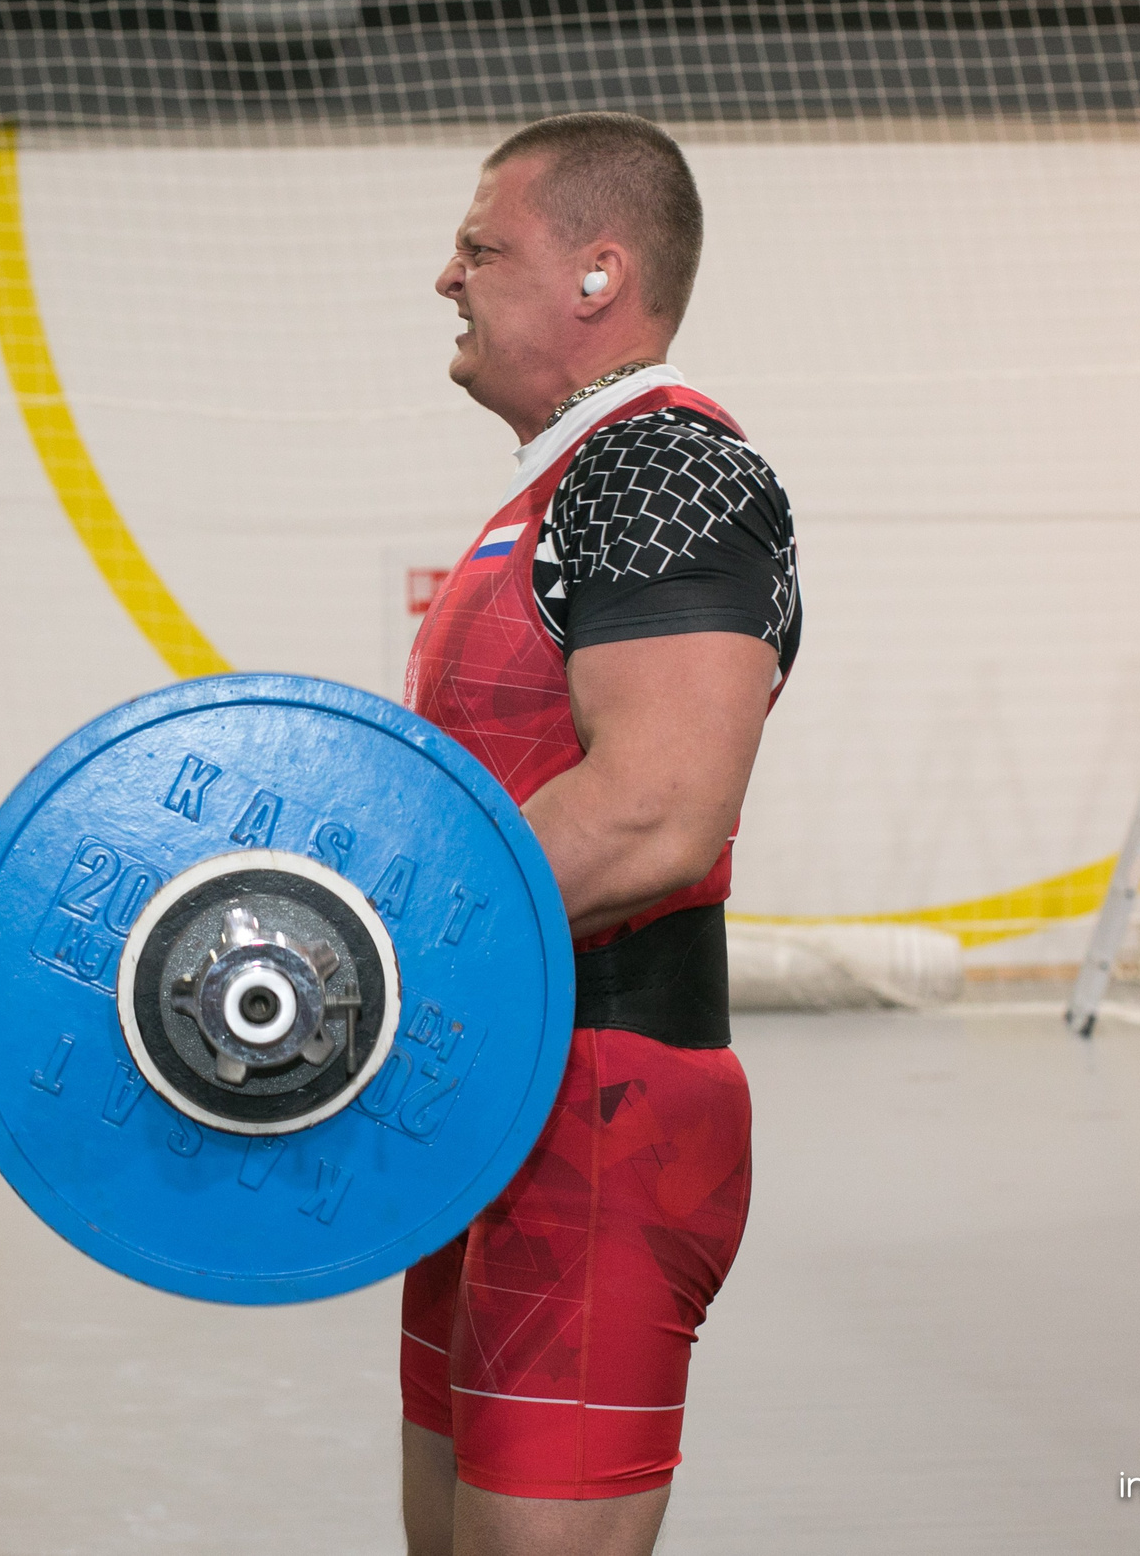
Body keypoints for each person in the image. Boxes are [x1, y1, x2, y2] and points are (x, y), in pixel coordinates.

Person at [400, 112, 799, 1556]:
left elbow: (657, 811)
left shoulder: (667, 469)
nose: (447, 278)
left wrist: (370, 944)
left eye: (480, 246)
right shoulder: (559, 484)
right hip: (486, 1100)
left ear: (597, 274)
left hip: (603, 1116)